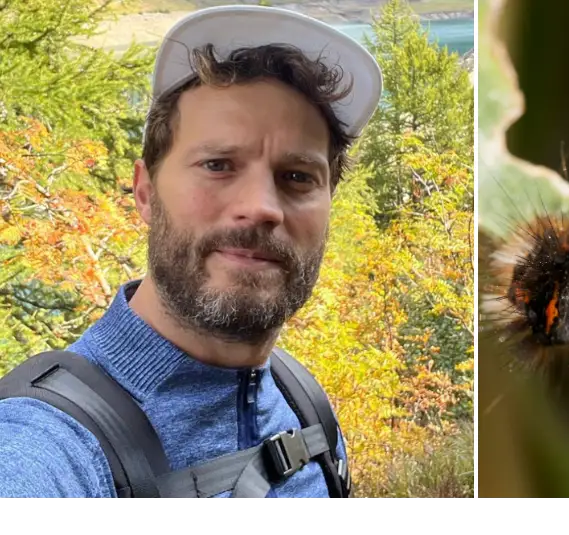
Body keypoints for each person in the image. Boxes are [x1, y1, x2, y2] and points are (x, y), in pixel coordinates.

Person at [0, 4, 382, 499]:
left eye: (297, 177)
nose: (261, 207)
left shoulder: (304, 409)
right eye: (218, 165)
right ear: (145, 192)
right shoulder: (49, 446)